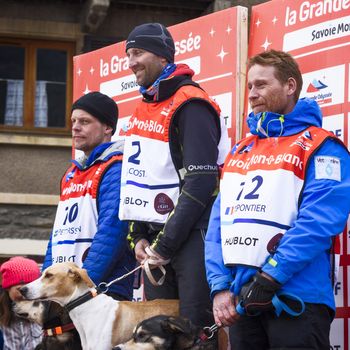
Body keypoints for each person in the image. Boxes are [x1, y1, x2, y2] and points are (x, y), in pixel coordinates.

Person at [205, 49, 350, 349]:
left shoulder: (322, 146)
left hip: (296, 296)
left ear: (290, 86)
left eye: (261, 85)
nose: (253, 93)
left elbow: (319, 221)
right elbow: (219, 224)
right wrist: (219, 287)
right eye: (249, 87)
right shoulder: (239, 150)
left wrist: (271, 276)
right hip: (243, 301)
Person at [119, 22, 230, 331]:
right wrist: (138, 235)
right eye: (128, 54)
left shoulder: (191, 102)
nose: (131, 63)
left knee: (194, 335)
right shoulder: (143, 108)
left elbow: (203, 182)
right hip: (156, 243)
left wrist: (163, 245)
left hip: (192, 237)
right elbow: (136, 181)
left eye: (138, 52)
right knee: (157, 337)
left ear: (163, 57)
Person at [42, 91, 135, 301]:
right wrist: (47, 282)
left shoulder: (116, 166)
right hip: (65, 292)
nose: (75, 127)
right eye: (73, 121)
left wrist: (83, 287)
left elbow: (111, 232)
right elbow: (57, 237)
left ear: (108, 128)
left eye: (84, 121)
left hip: (99, 292)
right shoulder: (71, 174)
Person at [0, 256, 42, 350]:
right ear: (7, 288)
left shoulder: (46, 313)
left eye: (30, 290)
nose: (26, 295)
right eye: (20, 290)